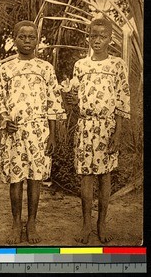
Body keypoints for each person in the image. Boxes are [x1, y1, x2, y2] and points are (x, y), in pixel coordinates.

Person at [0, 20, 66, 244]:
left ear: (37, 40)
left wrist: (52, 135)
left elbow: (53, 104)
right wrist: (5, 119)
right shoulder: (6, 68)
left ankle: (31, 222)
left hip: (39, 132)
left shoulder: (45, 68)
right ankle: (16, 222)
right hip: (14, 132)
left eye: (31, 37)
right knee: (16, 178)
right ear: (15, 40)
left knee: (35, 178)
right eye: (22, 36)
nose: (26, 41)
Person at [63, 17, 130, 244]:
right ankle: (86, 224)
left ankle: (102, 223)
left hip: (107, 126)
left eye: (102, 36)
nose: (97, 40)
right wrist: (70, 98)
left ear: (110, 39)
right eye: (93, 36)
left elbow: (122, 99)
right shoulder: (81, 66)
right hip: (85, 125)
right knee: (86, 176)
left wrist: (118, 132)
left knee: (104, 175)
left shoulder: (117, 65)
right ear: (88, 37)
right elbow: (73, 99)